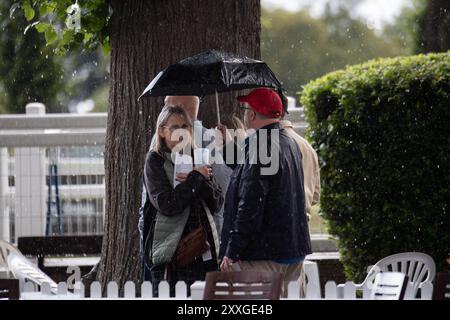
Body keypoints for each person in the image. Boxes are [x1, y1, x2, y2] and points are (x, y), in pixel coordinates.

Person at [218, 88, 312, 297]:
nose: (244, 113)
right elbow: (249, 169)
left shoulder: (261, 146)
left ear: (251, 115)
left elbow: (250, 204)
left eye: (246, 109)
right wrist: (226, 144)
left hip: (264, 254)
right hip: (291, 251)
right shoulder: (288, 142)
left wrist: (232, 251)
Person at [141, 105, 223, 296]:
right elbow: (168, 205)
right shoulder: (155, 161)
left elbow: (217, 203)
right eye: (174, 127)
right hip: (172, 255)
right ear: (161, 131)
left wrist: (202, 180)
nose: (181, 132)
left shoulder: (198, 156)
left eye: (185, 126)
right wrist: (196, 178)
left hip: (203, 251)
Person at [164, 96, 232, 238]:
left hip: (186, 237)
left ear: (180, 107)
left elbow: (218, 197)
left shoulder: (168, 143)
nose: (163, 109)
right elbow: (221, 196)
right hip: (208, 235)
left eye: (167, 105)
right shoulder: (215, 139)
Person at [280, 119, 320, 221]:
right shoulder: (308, 146)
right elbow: (315, 195)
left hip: (281, 222)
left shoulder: (273, 143)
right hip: (302, 222)